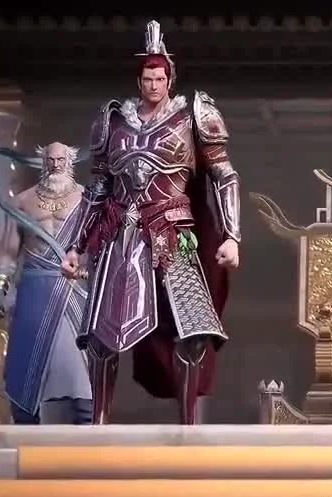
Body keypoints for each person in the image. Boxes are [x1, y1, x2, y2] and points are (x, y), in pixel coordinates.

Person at [59, 20, 241, 425]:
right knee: (102, 336)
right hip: (121, 233)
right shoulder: (114, 121)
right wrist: (75, 245)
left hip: (174, 232)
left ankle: (188, 422)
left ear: (169, 78)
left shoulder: (193, 116)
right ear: (138, 80)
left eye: (159, 78)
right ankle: (99, 421)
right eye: (147, 79)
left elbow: (223, 175)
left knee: (192, 331)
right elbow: (98, 188)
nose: (154, 85)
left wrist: (231, 235)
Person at [0, 142, 93, 425]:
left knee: (81, 370)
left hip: (74, 291)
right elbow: (7, 250)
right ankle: (25, 432)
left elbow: (100, 247)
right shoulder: (22, 201)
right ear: (43, 161)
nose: (55, 164)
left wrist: (91, 275)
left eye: (61, 159)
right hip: (33, 292)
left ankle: (88, 439)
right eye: (50, 159)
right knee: (25, 366)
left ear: (70, 161)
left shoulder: (88, 200)